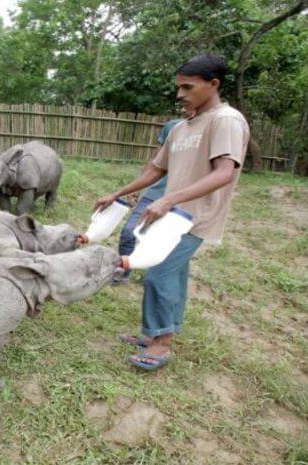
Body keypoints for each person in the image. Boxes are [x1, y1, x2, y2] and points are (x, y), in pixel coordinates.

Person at [94, 54, 249, 370]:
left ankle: (161, 344)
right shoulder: (181, 128)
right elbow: (155, 170)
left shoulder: (226, 120)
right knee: (173, 275)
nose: (180, 94)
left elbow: (224, 172)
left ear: (213, 84)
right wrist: (117, 193)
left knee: (158, 273)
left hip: (194, 216)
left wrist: (170, 199)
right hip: (172, 215)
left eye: (188, 87)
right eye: (178, 87)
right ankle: (158, 335)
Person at [112, 115, 185, 285]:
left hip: (183, 198)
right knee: (129, 232)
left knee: (168, 243)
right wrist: (136, 188)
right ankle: (123, 273)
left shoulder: (213, 127)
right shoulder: (172, 127)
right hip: (156, 191)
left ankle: (160, 276)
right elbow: (155, 161)